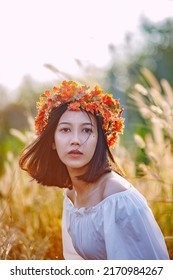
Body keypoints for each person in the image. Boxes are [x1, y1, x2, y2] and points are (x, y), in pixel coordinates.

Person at [19, 80, 169, 260]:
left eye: (86, 130)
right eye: (66, 130)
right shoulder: (72, 194)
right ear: (52, 140)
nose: (76, 140)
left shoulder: (118, 199)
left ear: (100, 139)